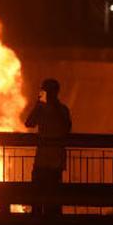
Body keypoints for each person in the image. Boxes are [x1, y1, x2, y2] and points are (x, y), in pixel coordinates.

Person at [25, 78, 72, 216]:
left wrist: (40, 106)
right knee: (44, 193)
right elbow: (29, 123)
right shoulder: (49, 109)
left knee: (47, 193)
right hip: (48, 160)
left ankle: (45, 218)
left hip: (51, 160)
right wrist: (38, 106)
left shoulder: (60, 110)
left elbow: (66, 127)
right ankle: (46, 219)